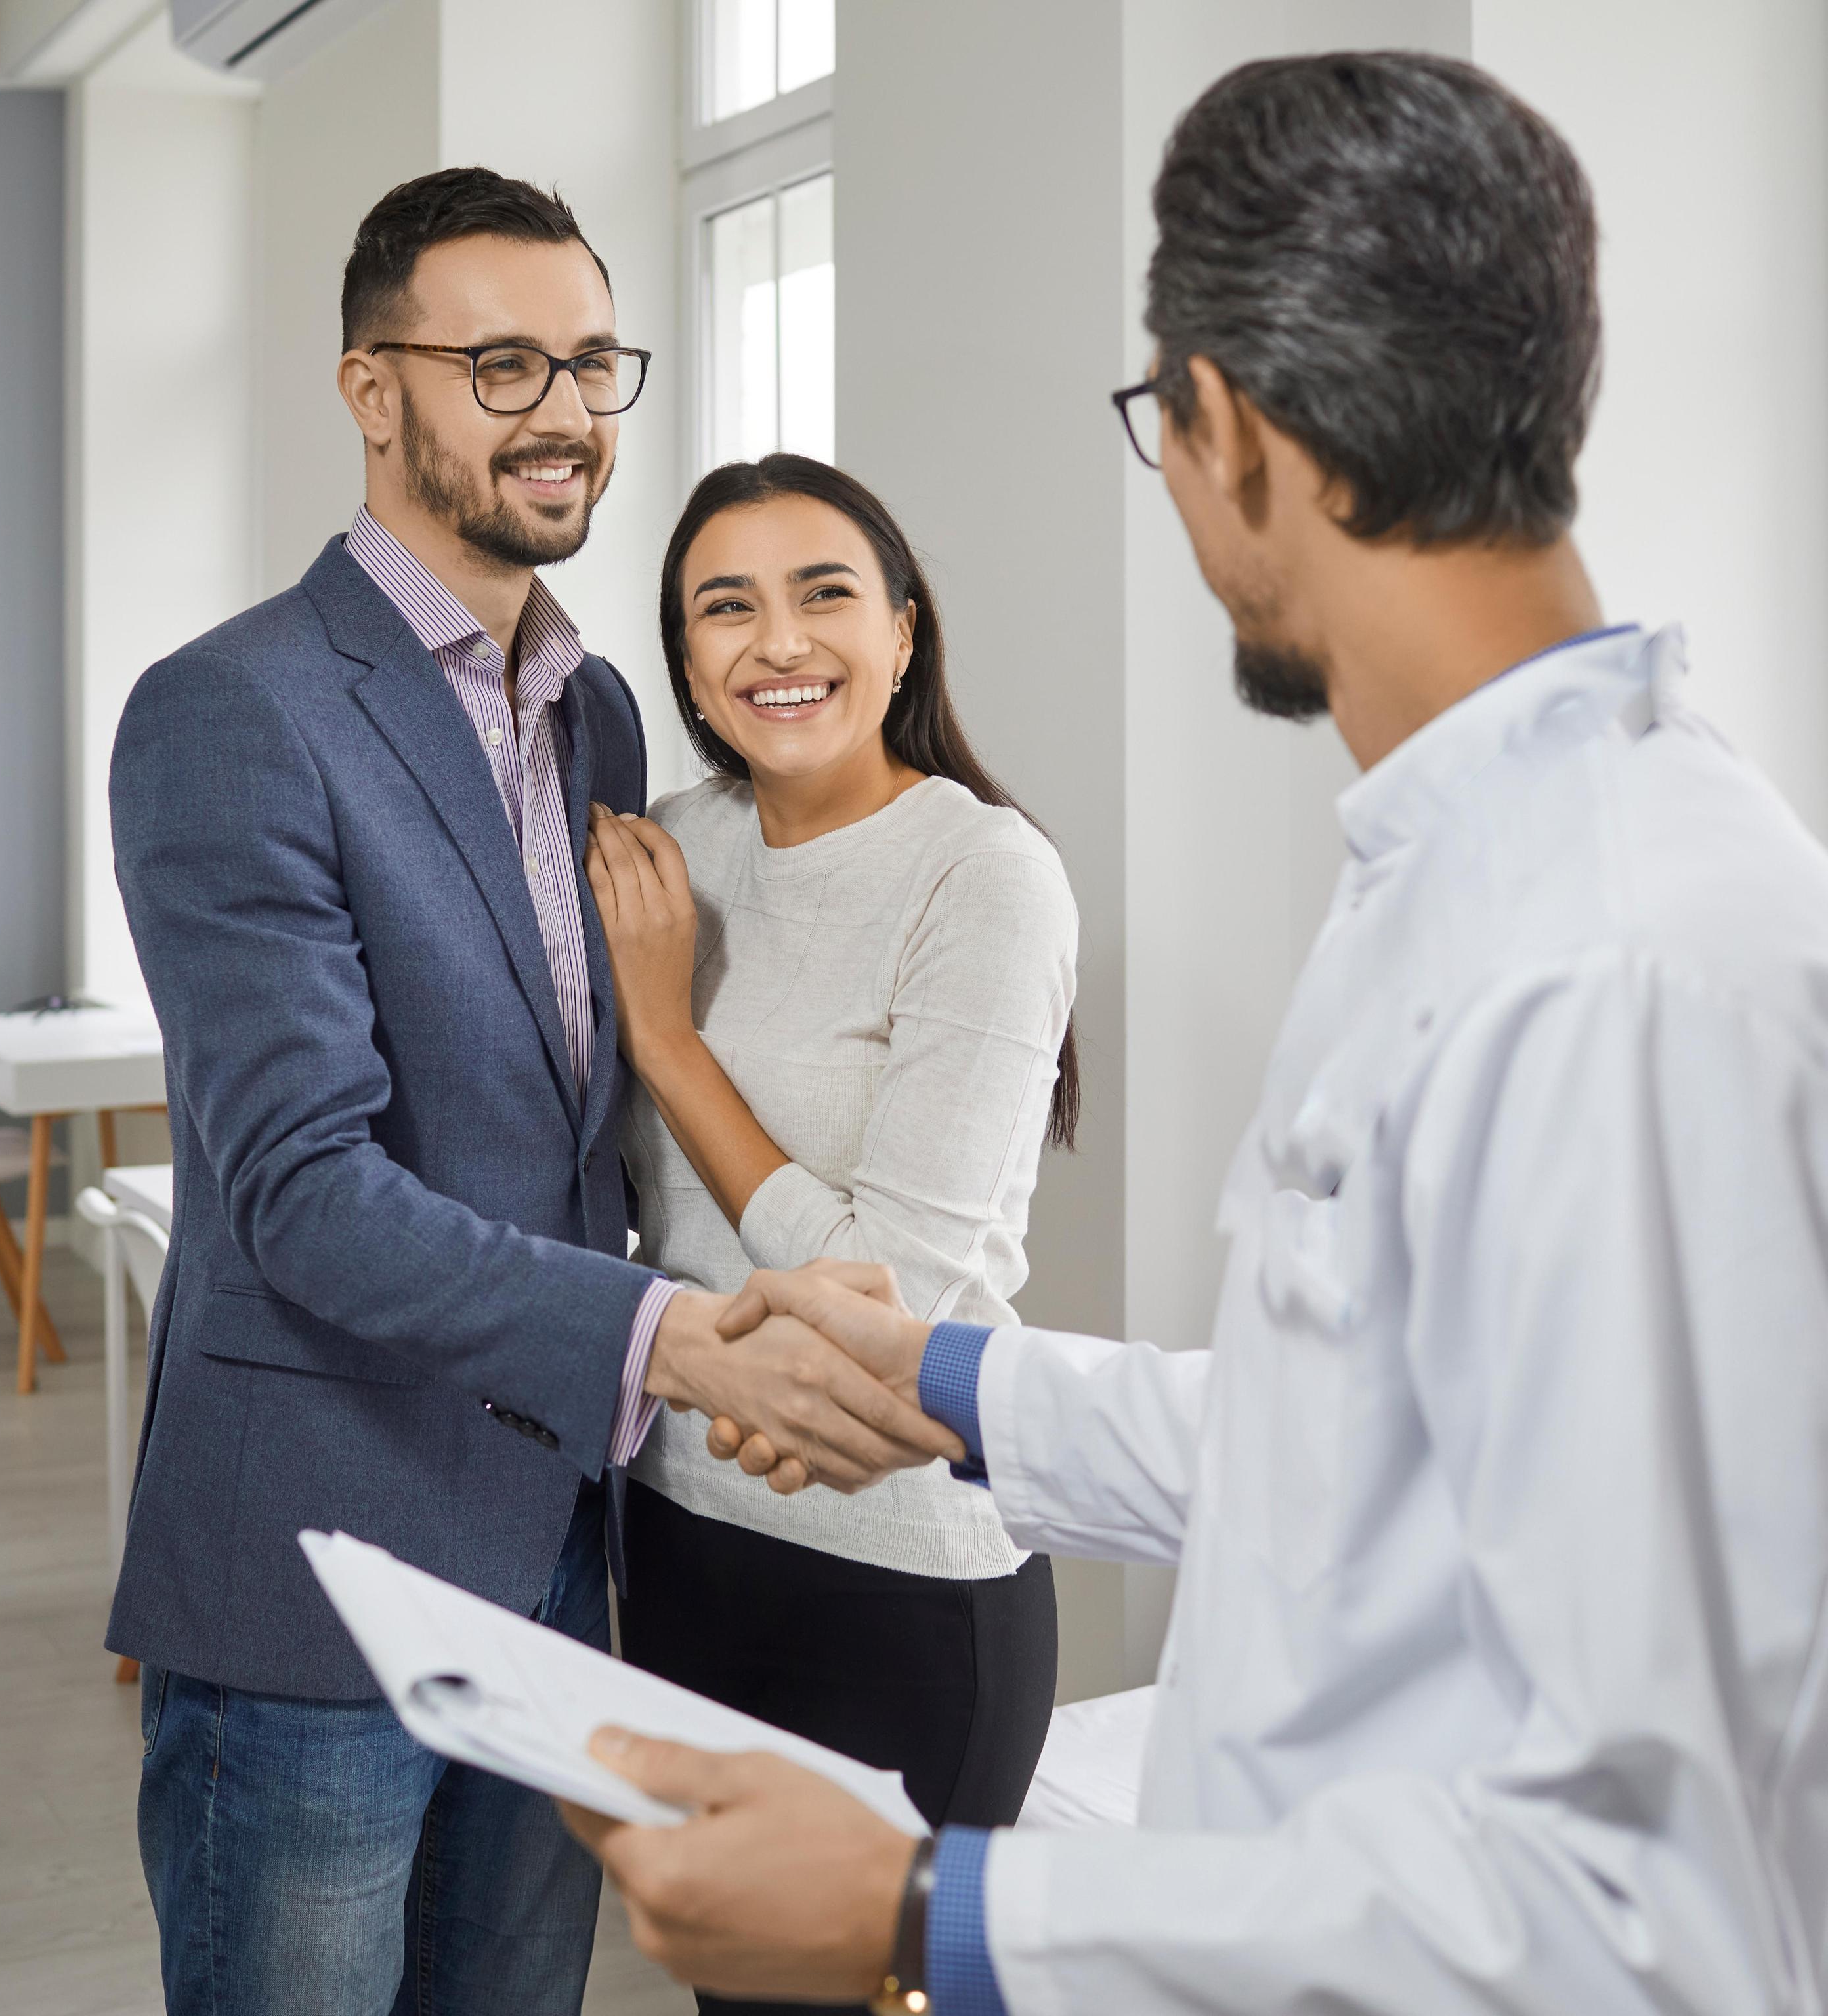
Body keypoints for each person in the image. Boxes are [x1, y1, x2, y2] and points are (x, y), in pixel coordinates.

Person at [559, 52, 1828, 2015]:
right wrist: (952, 1382)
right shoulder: (1476, 868)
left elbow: (1645, 1900)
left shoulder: (1612, 963)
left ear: (1225, 429)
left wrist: (931, 1920)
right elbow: (1354, 1440)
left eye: (1160, 420)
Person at [104, 167, 960, 2016]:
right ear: (370, 389)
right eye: (500, 363)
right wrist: (683, 1340)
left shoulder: (603, 716)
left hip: (562, 1547)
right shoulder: (233, 709)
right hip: (318, 1557)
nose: (563, 410)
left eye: (589, 361)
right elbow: (301, 1193)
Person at [582, 453, 1079, 2016]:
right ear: (685, 668)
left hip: (906, 1581)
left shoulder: (982, 872)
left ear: (906, 633)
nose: (777, 642)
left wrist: (672, 1043)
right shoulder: (671, 844)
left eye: (825, 596)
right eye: (726, 608)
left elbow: (900, 1289)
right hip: (677, 1531)